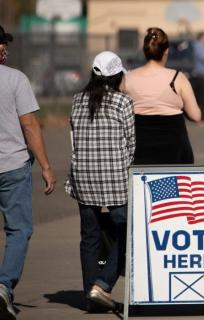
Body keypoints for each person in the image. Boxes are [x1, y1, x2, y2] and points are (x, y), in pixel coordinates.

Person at [64, 51, 135, 312]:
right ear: (117, 76)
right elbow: (131, 144)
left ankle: (89, 295)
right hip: (115, 178)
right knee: (126, 233)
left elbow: (74, 140)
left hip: (83, 175)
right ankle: (103, 285)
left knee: (89, 237)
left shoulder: (77, 100)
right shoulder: (123, 102)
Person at [0, 25, 56, 320]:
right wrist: (46, 166)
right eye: (2, 44)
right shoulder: (15, 79)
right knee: (19, 229)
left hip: (12, 165)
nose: (5, 49)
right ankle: (4, 285)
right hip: (11, 166)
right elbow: (30, 125)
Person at [122, 27, 201, 165]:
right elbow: (196, 116)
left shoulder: (128, 78)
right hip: (174, 152)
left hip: (138, 150)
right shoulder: (178, 78)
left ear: (145, 50)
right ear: (166, 51)